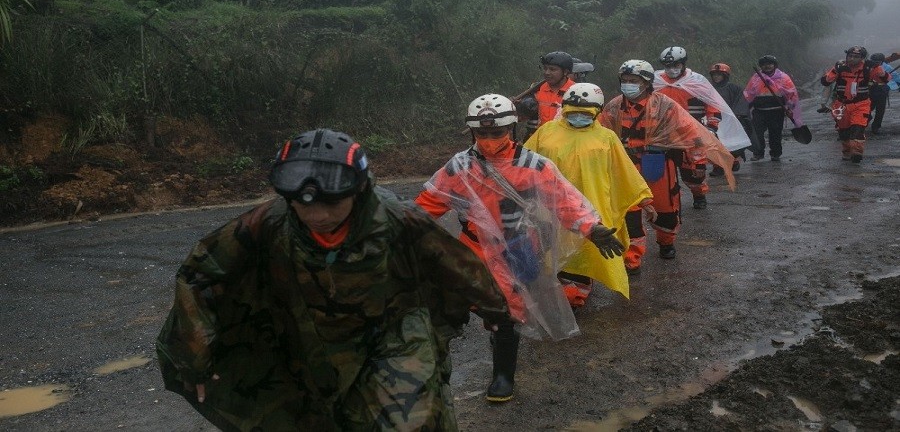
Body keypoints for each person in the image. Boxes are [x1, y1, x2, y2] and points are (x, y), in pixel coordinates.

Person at [156, 128, 512, 431]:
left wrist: (496, 313)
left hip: (393, 328)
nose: (317, 215)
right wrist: (194, 354)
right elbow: (200, 273)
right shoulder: (270, 222)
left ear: (356, 191)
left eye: (331, 203)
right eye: (303, 203)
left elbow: (458, 266)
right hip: (310, 334)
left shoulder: (397, 219)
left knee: (411, 418)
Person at [415, 93, 624, 402]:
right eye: (481, 133)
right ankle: (430, 371)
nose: (488, 139)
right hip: (472, 251)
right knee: (447, 308)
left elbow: (565, 200)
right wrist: (393, 231)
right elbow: (425, 207)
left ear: (511, 129)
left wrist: (592, 228)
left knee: (506, 312)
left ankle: (502, 374)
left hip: (515, 250)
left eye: (496, 132)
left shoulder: (534, 166)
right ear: (472, 132)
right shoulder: (459, 167)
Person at [601, 60, 735, 272]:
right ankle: (632, 257)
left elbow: (689, 133)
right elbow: (602, 134)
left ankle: (666, 241)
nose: (628, 85)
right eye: (624, 81)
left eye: (633, 81)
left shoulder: (665, 105)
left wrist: (697, 160)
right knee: (629, 211)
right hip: (626, 167)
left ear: (645, 82)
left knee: (665, 207)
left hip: (657, 164)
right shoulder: (613, 107)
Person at [524, 82, 653, 301]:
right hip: (551, 207)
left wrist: (644, 199)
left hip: (591, 209)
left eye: (585, 113)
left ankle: (576, 292)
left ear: (597, 113)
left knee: (587, 251)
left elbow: (624, 172)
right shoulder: (545, 132)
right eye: (573, 112)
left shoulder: (607, 138)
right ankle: (566, 288)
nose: (578, 116)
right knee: (553, 248)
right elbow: (523, 163)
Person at [654, 46, 751, 210]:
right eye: (668, 66)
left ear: (683, 64)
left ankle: (699, 194)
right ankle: (668, 200)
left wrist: (712, 126)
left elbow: (712, 104)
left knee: (694, 171)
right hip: (665, 134)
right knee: (663, 171)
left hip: (692, 133)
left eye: (675, 65)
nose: (671, 70)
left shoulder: (696, 81)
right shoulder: (656, 81)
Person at [820, 46, 890, 162]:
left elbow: (885, 80)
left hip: (861, 104)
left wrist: (880, 71)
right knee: (844, 131)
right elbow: (825, 81)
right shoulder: (840, 67)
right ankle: (847, 151)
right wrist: (835, 71)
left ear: (862, 58)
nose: (852, 59)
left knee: (858, 128)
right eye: (850, 56)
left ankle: (857, 152)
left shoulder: (869, 68)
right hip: (841, 104)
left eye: (856, 57)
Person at [742, 55, 800, 162]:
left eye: (769, 64)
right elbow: (748, 93)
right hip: (759, 111)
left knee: (775, 133)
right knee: (757, 133)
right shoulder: (756, 78)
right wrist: (744, 108)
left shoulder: (783, 77)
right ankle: (758, 153)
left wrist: (790, 108)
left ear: (774, 65)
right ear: (761, 66)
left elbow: (792, 94)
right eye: (764, 65)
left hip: (777, 111)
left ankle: (775, 153)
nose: (767, 66)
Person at [513, 51, 576, 142]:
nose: (547, 72)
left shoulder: (576, 91)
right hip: (536, 142)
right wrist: (515, 108)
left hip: (564, 142)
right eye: (545, 68)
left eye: (552, 69)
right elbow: (520, 118)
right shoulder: (535, 89)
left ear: (565, 72)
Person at [709, 62, 753, 174]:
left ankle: (733, 160)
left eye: (719, 74)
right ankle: (718, 166)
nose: (716, 77)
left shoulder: (734, 88)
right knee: (715, 143)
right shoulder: (708, 89)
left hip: (731, 121)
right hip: (714, 120)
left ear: (725, 76)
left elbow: (741, 102)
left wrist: (737, 116)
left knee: (732, 143)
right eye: (714, 74)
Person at [867, 53, 900, 134]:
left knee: (880, 110)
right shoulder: (868, 67)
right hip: (870, 91)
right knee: (867, 108)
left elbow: (896, 77)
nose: (875, 63)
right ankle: (865, 120)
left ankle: (876, 127)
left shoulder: (887, 68)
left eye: (877, 62)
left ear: (881, 61)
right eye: (873, 61)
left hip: (882, 91)